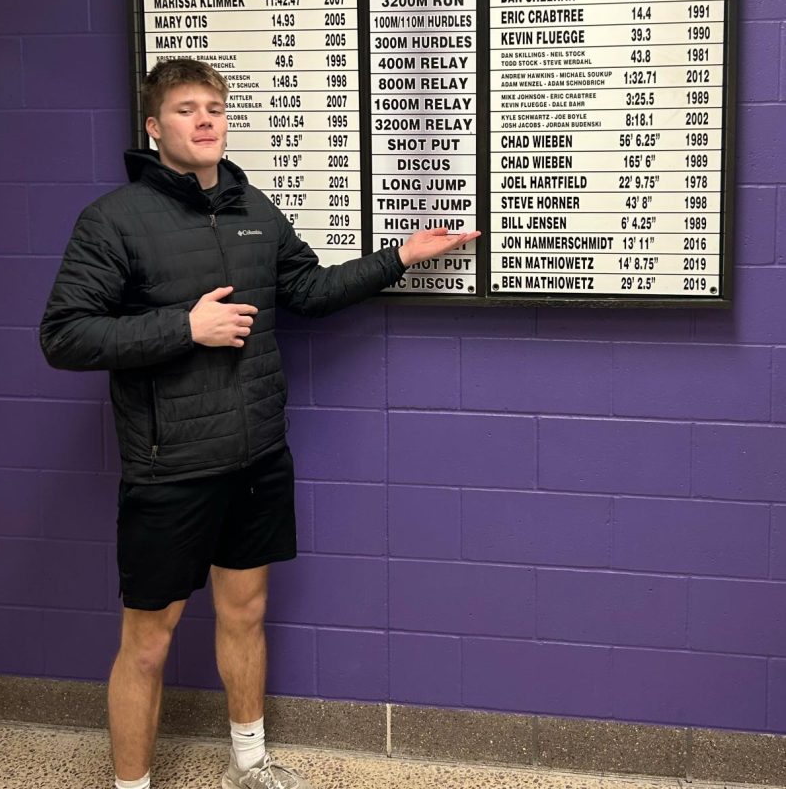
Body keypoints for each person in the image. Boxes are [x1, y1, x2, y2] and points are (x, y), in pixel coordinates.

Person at [40, 58, 479, 789]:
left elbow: (306, 290)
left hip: (256, 457)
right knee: (148, 642)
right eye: (185, 109)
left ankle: (249, 763)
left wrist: (399, 257)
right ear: (154, 128)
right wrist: (185, 326)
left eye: (214, 106)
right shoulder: (113, 220)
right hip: (170, 467)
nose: (205, 119)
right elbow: (65, 336)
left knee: (246, 615)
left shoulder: (253, 208)